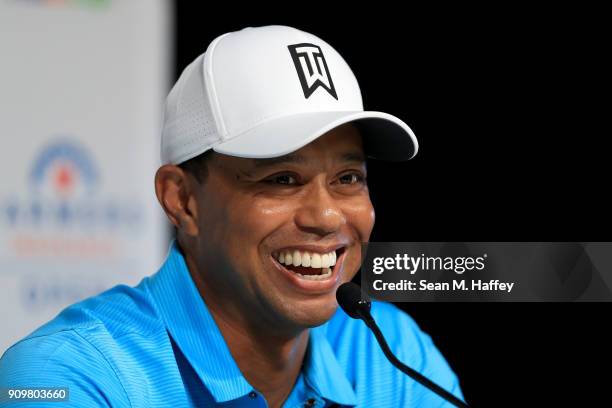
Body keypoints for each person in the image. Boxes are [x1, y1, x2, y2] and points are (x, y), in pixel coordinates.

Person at [0, 25, 464, 407]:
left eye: (348, 178)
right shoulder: (66, 376)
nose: (326, 215)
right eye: (282, 178)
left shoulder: (392, 354)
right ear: (181, 201)